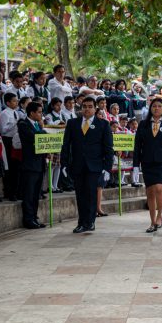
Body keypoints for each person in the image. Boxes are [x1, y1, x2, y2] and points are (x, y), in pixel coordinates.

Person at [61, 97, 114, 233]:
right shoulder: (72, 123)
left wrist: (107, 168)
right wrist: (64, 164)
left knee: (91, 194)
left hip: (94, 166)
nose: (87, 109)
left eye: (90, 106)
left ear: (95, 108)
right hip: (77, 165)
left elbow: (108, 148)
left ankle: (90, 222)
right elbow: (66, 145)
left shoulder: (103, 124)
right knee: (80, 195)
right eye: (84, 106)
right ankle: (81, 222)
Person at [132, 98, 162, 233]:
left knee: (159, 187)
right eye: (154, 106)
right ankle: (152, 221)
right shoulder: (143, 124)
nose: (156, 108)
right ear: (150, 108)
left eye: (159, 106)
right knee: (150, 191)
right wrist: (136, 165)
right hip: (147, 162)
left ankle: (159, 215)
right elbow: (137, 146)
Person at [17, 102, 48, 229]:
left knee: (36, 194)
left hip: (40, 163)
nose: (41, 115)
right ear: (32, 113)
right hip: (30, 164)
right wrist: (44, 131)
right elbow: (34, 137)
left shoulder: (37, 125)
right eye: (39, 112)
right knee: (29, 194)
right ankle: (28, 219)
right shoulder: (23, 124)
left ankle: (34, 217)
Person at [0, 93, 21, 201]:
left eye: (17, 101)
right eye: (14, 101)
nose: (16, 103)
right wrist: (14, 123)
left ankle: (16, 191)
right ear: (8, 102)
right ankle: (8, 191)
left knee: (16, 167)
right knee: (9, 166)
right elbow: (3, 130)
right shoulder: (4, 113)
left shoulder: (16, 112)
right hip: (7, 140)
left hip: (16, 140)